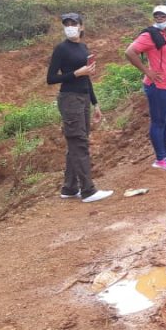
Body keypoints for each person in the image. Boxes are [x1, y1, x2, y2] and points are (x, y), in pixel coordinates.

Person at [46, 13, 112, 203]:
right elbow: (51, 78)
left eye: (73, 24)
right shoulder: (61, 49)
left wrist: (95, 103)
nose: (70, 27)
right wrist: (76, 73)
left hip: (83, 98)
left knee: (76, 144)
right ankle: (88, 191)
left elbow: (87, 77)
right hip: (70, 99)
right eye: (66, 24)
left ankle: (69, 188)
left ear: (81, 27)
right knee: (79, 143)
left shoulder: (83, 48)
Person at [125, 5, 166, 171]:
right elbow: (130, 52)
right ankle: (160, 158)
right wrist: (148, 71)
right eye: (157, 16)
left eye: (163, 16)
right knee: (159, 122)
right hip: (159, 86)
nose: (160, 18)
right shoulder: (149, 35)